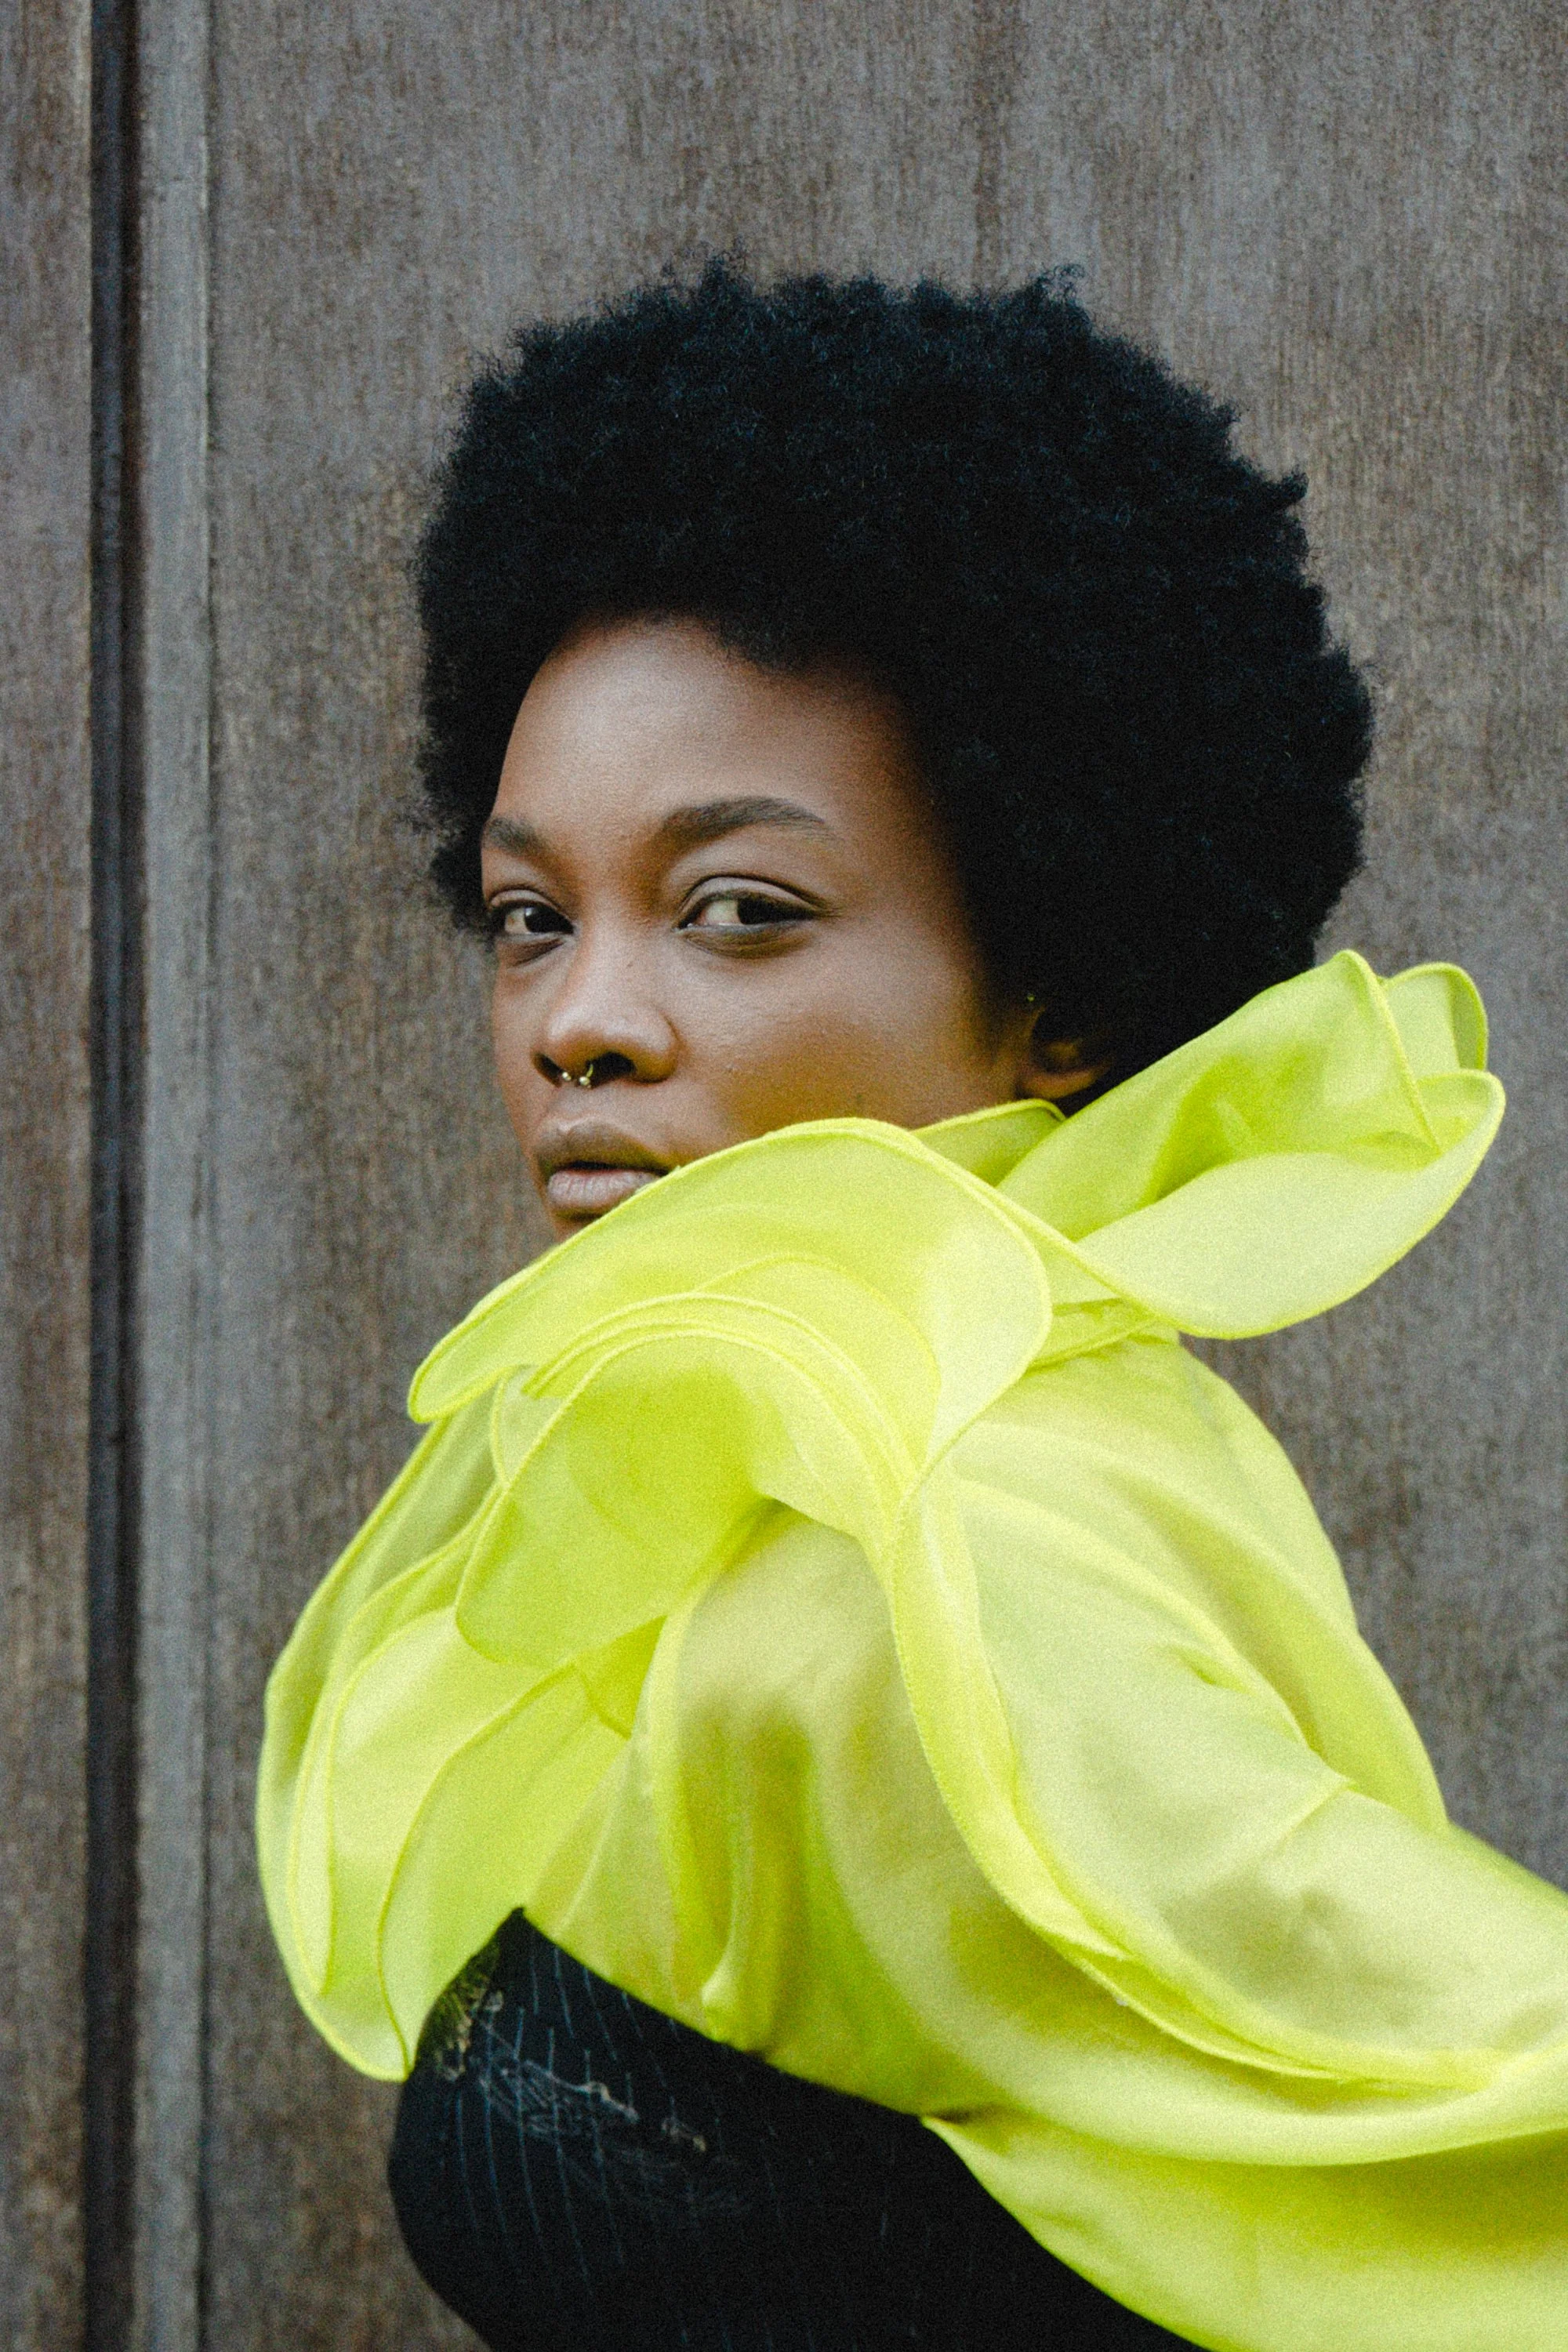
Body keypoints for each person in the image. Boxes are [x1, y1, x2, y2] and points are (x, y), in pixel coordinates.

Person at [256, 264, 1568, 2352]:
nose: (581, 1021)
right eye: (529, 916)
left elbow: (1461, 2069)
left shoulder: (941, 1530)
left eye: (737, 912)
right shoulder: (812, 1464)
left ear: (1056, 983)